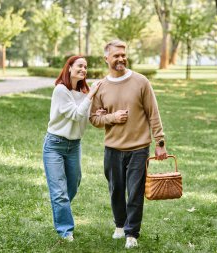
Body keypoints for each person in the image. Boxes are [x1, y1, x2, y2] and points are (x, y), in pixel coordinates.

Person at [89, 40, 167, 249]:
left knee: (134, 191)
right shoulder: (100, 87)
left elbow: (153, 113)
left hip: (139, 148)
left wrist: (160, 142)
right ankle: (120, 225)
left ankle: (132, 233)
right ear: (106, 59)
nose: (121, 59)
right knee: (116, 190)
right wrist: (112, 117)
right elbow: (94, 119)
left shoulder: (141, 82)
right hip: (112, 148)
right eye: (116, 55)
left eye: (123, 54)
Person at [43, 55, 101, 242]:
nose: (83, 69)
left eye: (85, 67)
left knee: (73, 184)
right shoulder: (61, 90)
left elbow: (84, 115)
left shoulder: (84, 92)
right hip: (55, 145)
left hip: (74, 145)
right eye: (79, 66)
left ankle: (60, 207)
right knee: (60, 192)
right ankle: (65, 230)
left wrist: (96, 112)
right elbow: (76, 114)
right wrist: (91, 95)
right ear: (69, 67)